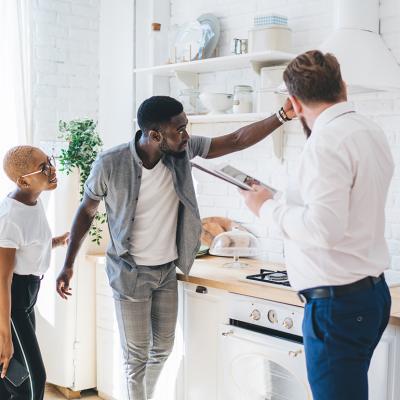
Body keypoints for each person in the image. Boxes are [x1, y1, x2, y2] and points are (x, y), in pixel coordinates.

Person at [55, 95, 294, 399]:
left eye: (186, 126)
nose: (187, 135)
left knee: (163, 350)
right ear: (155, 135)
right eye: (179, 130)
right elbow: (86, 211)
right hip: (130, 273)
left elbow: (234, 140)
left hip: (166, 270)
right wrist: (69, 263)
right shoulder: (110, 163)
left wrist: (282, 116)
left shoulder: (182, 150)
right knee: (136, 357)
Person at [240, 50, 394, 400]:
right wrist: (278, 200)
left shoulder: (326, 143)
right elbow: (342, 209)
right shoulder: (370, 130)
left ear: (293, 101)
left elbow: (324, 229)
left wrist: (265, 208)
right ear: (343, 86)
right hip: (369, 295)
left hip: (336, 306)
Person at [0, 146, 69, 400]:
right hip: (13, 298)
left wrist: (57, 242)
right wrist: (4, 336)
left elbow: (29, 246)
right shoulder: (9, 218)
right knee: (33, 378)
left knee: (12, 374)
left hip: (28, 293)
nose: (52, 170)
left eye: (49, 161)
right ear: (23, 180)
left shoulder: (33, 201)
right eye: (43, 168)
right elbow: (2, 279)